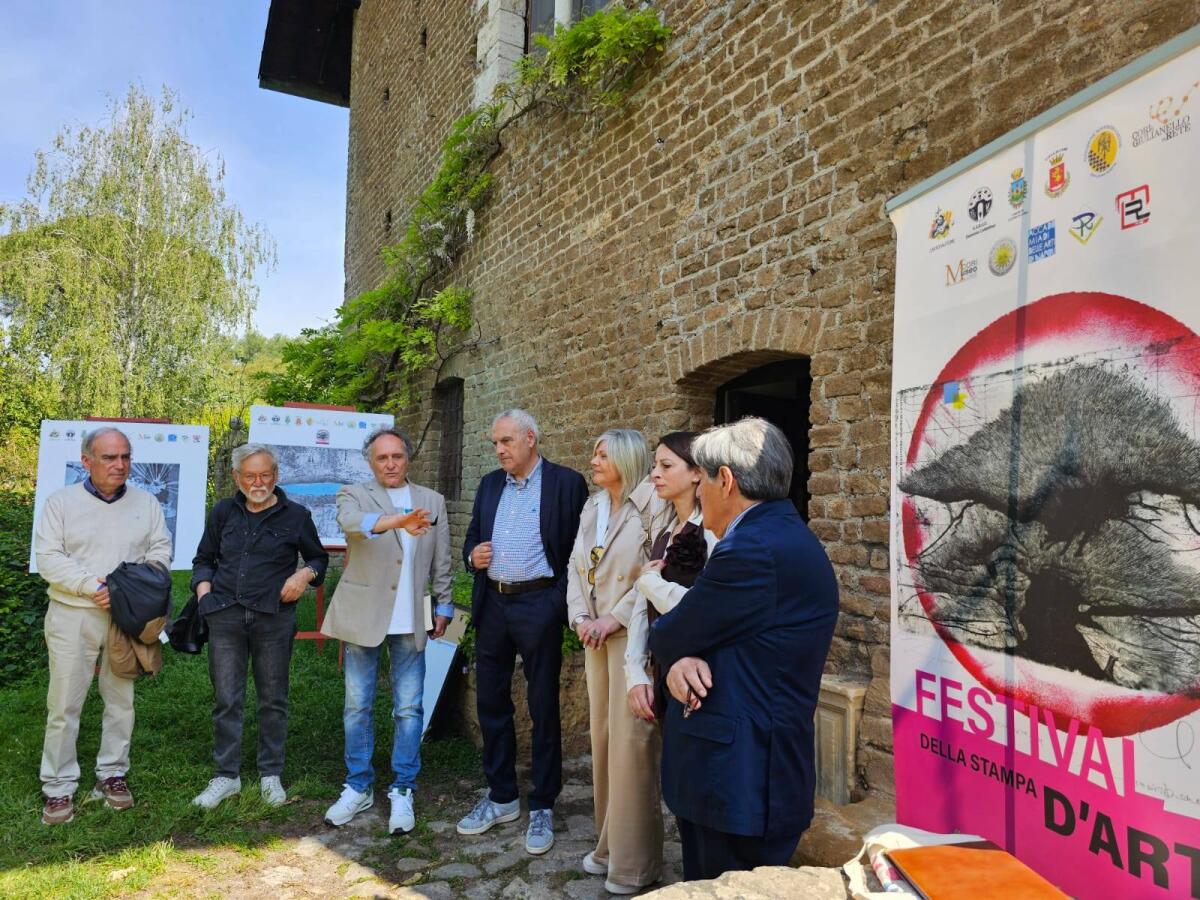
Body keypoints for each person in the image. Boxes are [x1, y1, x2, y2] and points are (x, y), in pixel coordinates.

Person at [647, 417, 838, 881]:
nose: (699, 494)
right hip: (744, 777)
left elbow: (670, 633)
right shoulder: (780, 535)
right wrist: (684, 655)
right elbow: (709, 632)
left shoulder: (752, 550)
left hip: (738, 781)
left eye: (703, 481)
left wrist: (679, 649)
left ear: (726, 480)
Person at [457, 409, 588, 855]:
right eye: (495, 443)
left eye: (506, 441)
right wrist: (471, 556)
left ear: (531, 438)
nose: (499, 450)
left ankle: (544, 802)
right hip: (493, 603)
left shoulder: (566, 484)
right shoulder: (490, 484)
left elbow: (578, 552)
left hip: (539, 604)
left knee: (542, 703)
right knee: (491, 701)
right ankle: (502, 797)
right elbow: (471, 537)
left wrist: (555, 604)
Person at [34, 427, 172, 825]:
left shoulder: (147, 503)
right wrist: (93, 586)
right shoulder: (61, 503)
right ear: (86, 461)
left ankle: (112, 773)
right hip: (72, 613)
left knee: (120, 699)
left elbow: (160, 551)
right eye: (109, 457)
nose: (120, 464)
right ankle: (58, 786)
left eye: (125, 457)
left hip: (125, 617)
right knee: (64, 703)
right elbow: (49, 557)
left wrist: (129, 590)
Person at [320, 427, 455, 834]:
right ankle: (358, 785)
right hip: (364, 616)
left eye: (397, 456)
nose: (391, 464)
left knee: (409, 707)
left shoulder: (432, 500)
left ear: (407, 458)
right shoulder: (353, 494)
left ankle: (403, 787)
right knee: (357, 705)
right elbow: (351, 524)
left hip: (411, 618)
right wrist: (399, 520)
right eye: (382, 458)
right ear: (370, 462)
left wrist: (444, 605)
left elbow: (442, 559)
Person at [191, 443, 329, 810]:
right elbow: (204, 559)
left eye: (265, 475)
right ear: (237, 477)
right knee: (226, 698)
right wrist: (205, 598)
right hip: (225, 616)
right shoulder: (223, 512)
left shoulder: (296, 515)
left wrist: (303, 575)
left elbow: (318, 558)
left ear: (276, 475)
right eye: (250, 476)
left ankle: (270, 774)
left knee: (273, 698)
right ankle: (226, 776)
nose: (258, 482)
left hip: (273, 617)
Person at [566, 429, 668, 895]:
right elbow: (575, 567)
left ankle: (635, 865)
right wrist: (581, 618)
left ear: (625, 459)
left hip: (632, 639)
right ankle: (607, 846)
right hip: (594, 638)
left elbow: (653, 576)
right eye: (594, 452)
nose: (593, 460)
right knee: (604, 740)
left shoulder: (651, 505)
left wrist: (613, 618)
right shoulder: (593, 506)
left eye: (602, 454)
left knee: (632, 747)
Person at [624, 432, 717, 724]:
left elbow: (706, 608)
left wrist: (649, 582)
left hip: (700, 675)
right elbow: (643, 609)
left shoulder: (711, 533)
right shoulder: (665, 535)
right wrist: (635, 672)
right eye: (655, 466)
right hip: (663, 671)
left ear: (696, 473)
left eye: (666, 466)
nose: (654, 474)